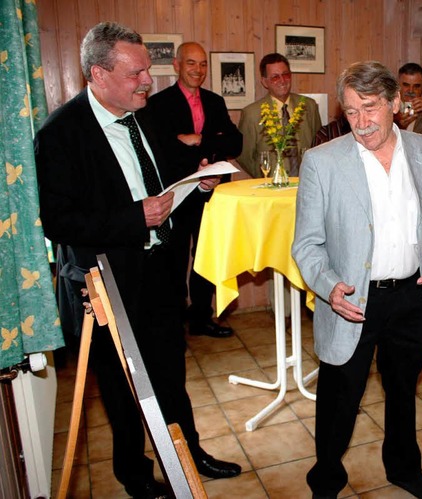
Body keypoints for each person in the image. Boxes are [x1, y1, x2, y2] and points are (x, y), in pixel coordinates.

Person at [34, 22, 240, 498]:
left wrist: (199, 177)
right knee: (123, 385)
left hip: (160, 273)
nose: (148, 80)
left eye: (147, 69)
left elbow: (167, 168)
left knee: (170, 370)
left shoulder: (143, 115)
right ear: (97, 74)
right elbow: (59, 222)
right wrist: (132, 217)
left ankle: (187, 455)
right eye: (136, 72)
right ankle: (135, 474)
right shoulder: (61, 133)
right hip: (107, 282)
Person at [292, 61, 422, 499]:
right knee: (338, 401)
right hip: (352, 301)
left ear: (395, 104)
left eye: (370, 108)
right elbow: (306, 244)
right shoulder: (321, 162)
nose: (361, 123)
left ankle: (404, 468)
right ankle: (325, 479)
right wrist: (328, 286)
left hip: (411, 296)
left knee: (403, 390)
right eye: (351, 112)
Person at [140, 41, 242, 338]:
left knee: (206, 257)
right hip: (177, 195)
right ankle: (173, 323)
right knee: (174, 260)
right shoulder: (157, 104)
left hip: (211, 194)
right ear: (176, 65)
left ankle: (201, 318)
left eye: (203, 64)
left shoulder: (215, 101)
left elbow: (235, 143)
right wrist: (184, 144)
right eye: (191, 63)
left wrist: (197, 139)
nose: (198, 70)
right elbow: (156, 150)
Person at [236, 53, 322, 178]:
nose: (282, 81)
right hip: (272, 186)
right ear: (265, 82)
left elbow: (318, 144)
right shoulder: (251, 113)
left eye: (286, 75)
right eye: (275, 77)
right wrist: (264, 174)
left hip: (307, 181)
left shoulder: (309, 106)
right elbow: (244, 155)